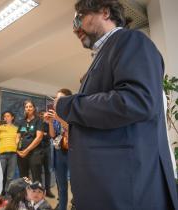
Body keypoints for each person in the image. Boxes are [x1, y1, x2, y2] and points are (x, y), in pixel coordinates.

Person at [55, 0, 178, 209]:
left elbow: (138, 101)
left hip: (128, 193)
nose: (75, 28)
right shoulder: (103, 55)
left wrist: (67, 105)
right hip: (109, 190)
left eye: (79, 17)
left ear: (105, 12)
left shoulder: (131, 40)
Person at [45, 88, 72, 210]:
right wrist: (50, 122)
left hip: (73, 152)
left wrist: (58, 119)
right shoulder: (56, 115)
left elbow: (74, 130)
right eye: (56, 98)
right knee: (61, 186)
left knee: (77, 184)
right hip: (58, 152)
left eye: (60, 98)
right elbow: (52, 135)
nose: (57, 100)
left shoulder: (73, 113)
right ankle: (62, 207)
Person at [0, 111, 18, 195]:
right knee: (0, 175)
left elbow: (19, 139)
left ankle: (7, 194)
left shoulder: (16, 128)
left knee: (10, 176)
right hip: (2, 154)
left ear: (12, 117)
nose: (6, 118)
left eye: (8, 116)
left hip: (13, 154)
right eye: (4, 116)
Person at [16, 100, 44, 183]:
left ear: (34, 108)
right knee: (23, 178)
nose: (28, 108)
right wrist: (17, 149)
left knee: (36, 177)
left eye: (30, 106)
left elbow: (39, 138)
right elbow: (18, 136)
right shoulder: (22, 122)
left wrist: (26, 150)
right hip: (21, 153)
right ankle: (25, 195)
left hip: (34, 153)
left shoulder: (38, 120)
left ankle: (38, 195)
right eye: (26, 107)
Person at [38, 111, 55, 198]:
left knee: (48, 170)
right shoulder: (38, 123)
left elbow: (50, 136)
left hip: (47, 149)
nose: (43, 116)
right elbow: (37, 135)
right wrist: (44, 134)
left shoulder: (49, 124)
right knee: (38, 171)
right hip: (37, 150)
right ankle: (40, 191)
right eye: (41, 115)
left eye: (43, 115)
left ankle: (48, 190)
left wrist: (44, 134)